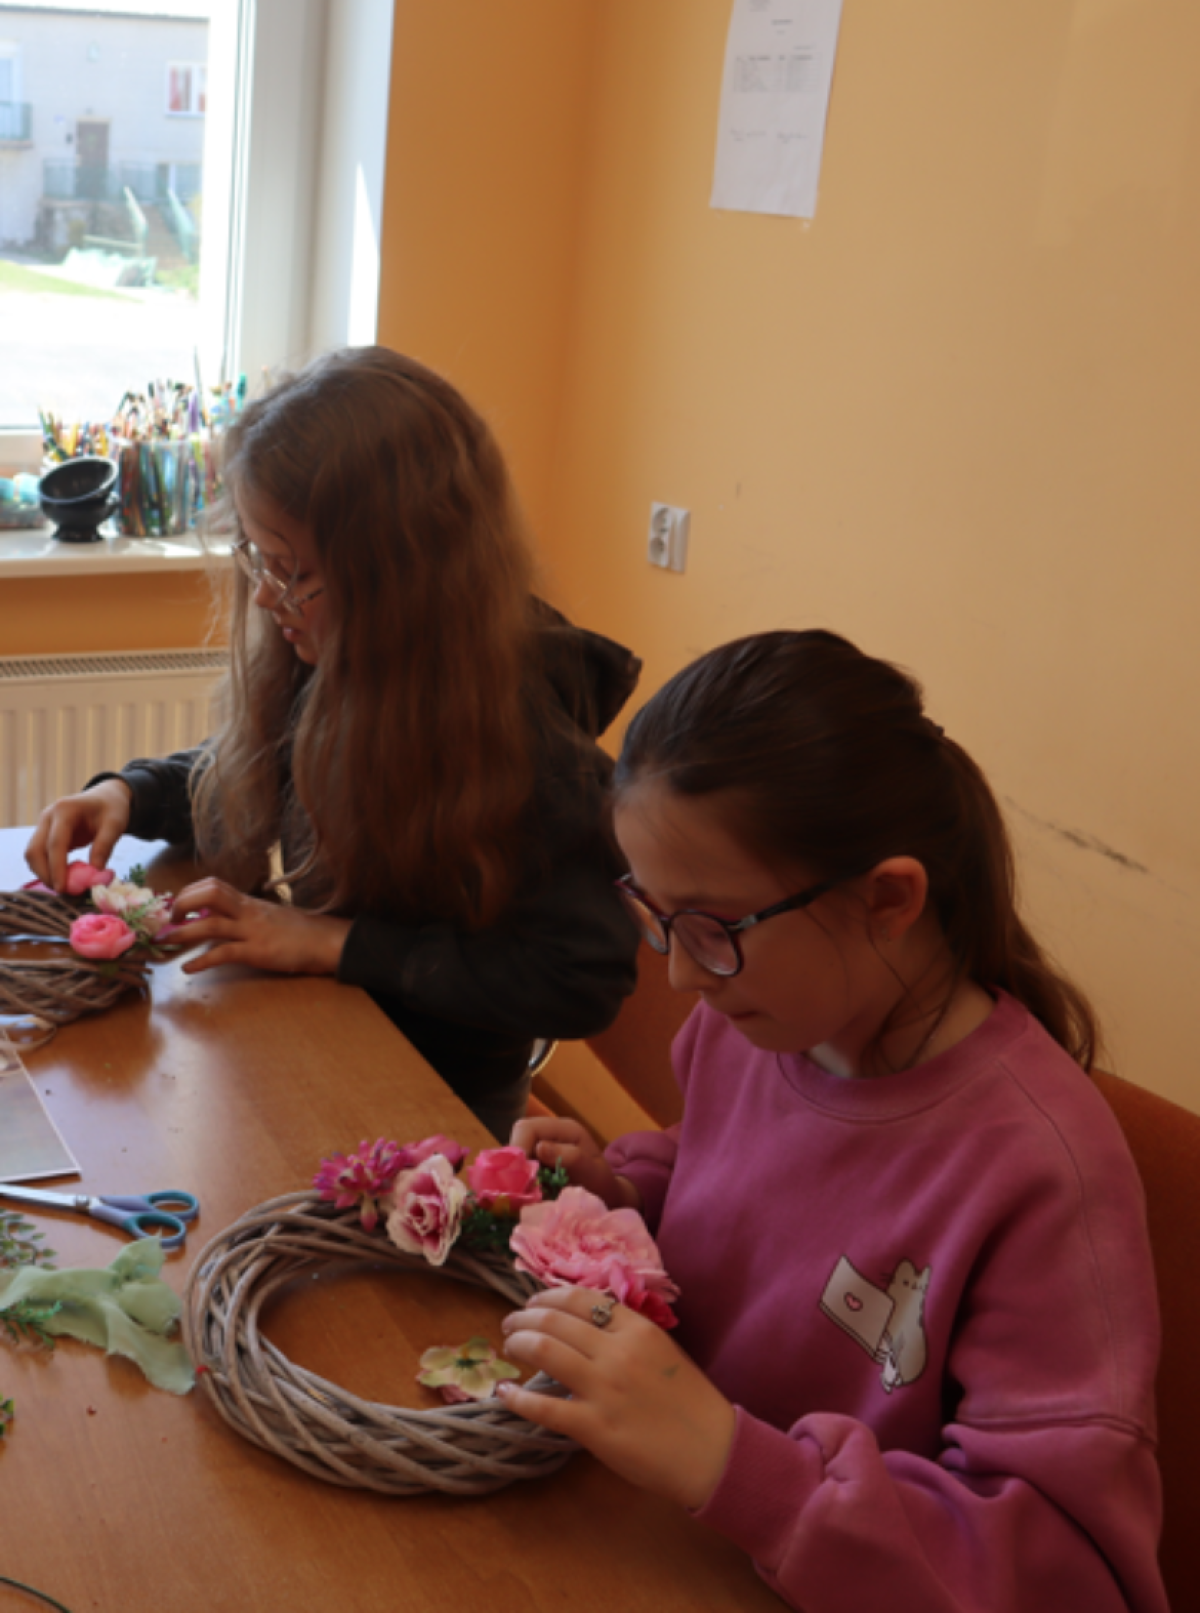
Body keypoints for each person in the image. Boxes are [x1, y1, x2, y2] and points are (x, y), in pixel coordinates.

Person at [501, 629, 1167, 1613]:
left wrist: (734, 1465)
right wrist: (629, 1191)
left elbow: (1071, 1577)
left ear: (889, 898)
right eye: (656, 915)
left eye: (713, 928)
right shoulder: (755, 1020)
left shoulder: (1043, 1172)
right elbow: (731, 1185)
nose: (679, 975)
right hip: (667, 1541)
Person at [25, 346, 641, 1139]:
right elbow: (252, 769)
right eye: (258, 557)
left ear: (404, 574)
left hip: (429, 1109)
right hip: (321, 1037)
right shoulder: (346, 655)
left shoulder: (526, 736)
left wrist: (336, 943)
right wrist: (129, 793)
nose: (264, 595)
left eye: (291, 570)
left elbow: (581, 979)